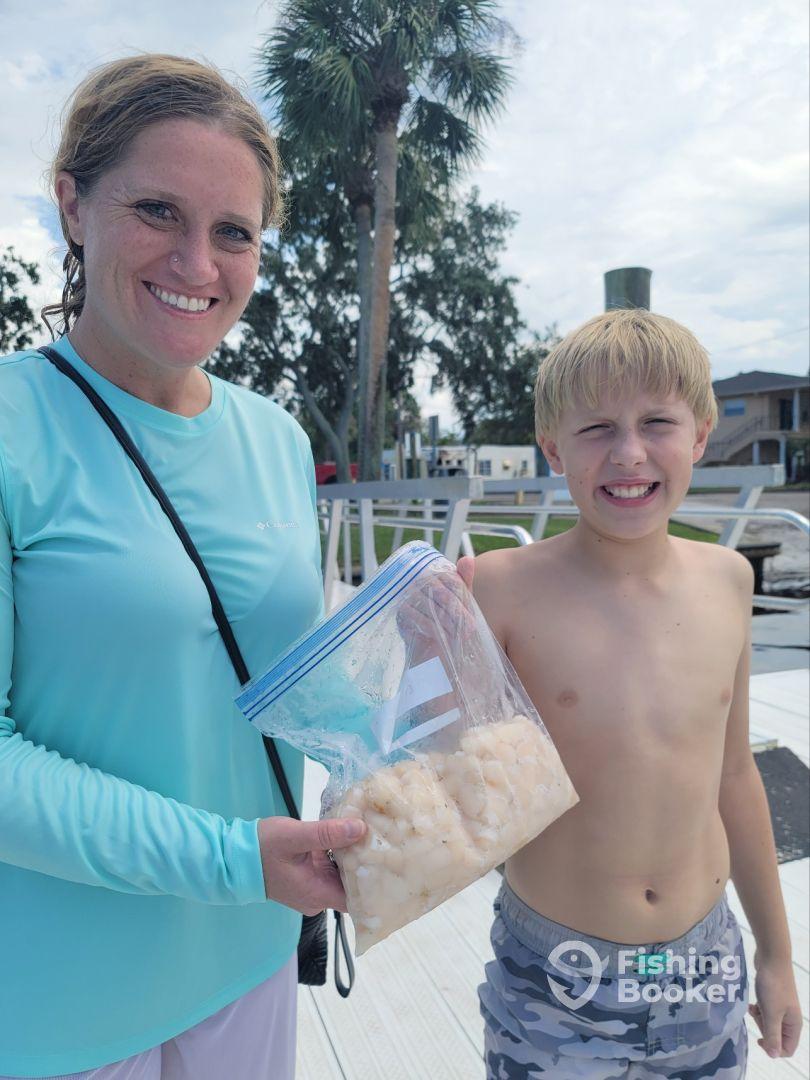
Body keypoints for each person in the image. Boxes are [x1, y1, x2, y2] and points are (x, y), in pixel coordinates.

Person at [0, 54, 375, 1079]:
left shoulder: (276, 440)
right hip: (59, 1001)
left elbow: (281, 680)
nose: (197, 263)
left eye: (234, 233)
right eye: (158, 210)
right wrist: (234, 859)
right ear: (72, 206)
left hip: (248, 954)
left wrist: (428, 655)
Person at [473, 310, 803, 1078]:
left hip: (703, 962)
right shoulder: (497, 590)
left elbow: (734, 776)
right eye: (595, 430)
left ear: (700, 434)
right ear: (552, 446)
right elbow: (437, 774)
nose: (628, 454)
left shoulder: (728, 581)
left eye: (657, 422)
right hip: (555, 976)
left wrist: (778, 953)